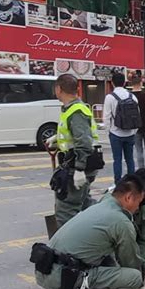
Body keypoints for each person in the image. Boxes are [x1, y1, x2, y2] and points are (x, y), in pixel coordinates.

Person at [35, 174, 145, 289]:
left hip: (47, 269)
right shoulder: (121, 222)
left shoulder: (101, 205)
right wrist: (140, 284)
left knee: (108, 260)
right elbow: (130, 260)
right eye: (139, 202)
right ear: (129, 197)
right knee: (133, 277)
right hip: (62, 278)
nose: (138, 208)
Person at [45, 74, 99, 228]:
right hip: (78, 163)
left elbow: (84, 142)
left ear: (58, 89)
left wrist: (79, 169)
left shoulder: (76, 111)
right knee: (84, 203)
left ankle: (67, 247)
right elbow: (75, 134)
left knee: (65, 211)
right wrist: (57, 138)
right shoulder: (73, 108)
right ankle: (108, 220)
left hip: (78, 166)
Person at [103, 72, 137, 184]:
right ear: (125, 82)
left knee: (117, 160)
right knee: (130, 159)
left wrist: (109, 131)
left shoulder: (110, 97)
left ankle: (118, 183)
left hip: (115, 134)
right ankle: (132, 182)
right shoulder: (133, 96)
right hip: (130, 133)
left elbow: (106, 117)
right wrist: (133, 130)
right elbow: (137, 116)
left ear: (112, 83)